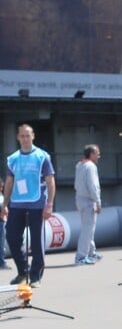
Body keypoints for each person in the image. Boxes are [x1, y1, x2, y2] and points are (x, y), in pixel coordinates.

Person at [2, 123, 55, 287]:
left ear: (33, 136)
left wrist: (49, 204)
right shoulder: (13, 159)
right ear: (18, 137)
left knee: (37, 241)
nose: (25, 139)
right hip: (16, 203)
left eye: (28, 135)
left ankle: (35, 276)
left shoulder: (42, 156)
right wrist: (4, 204)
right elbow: (9, 183)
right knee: (11, 236)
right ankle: (22, 271)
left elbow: (50, 181)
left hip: (37, 203)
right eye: (22, 136)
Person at [74, 144, 102, 265]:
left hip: (80, 199)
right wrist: (98, 201)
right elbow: (93, 186)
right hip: (89, 201)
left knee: (88, 228)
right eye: (97, 153)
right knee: (88, 229)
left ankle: (91, 253)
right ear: (91, 154)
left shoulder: (79, 165)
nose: (99, 156)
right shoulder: (91, 166)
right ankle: (81, 256)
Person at [0, 179, 10, 270]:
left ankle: (2, 262)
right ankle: (2, 262)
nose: (2, 188)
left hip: (3, 221)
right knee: (1, 243)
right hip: (1, 221)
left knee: (2, 243)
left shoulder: (2, 196)